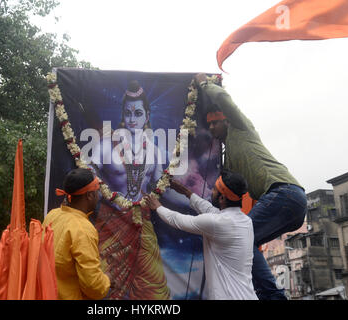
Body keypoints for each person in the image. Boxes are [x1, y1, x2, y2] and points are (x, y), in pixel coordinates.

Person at [194, 73, 307, 300]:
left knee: (244, 238)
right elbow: (223, 192)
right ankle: (265, 294)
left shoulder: (240, 128)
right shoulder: (228, 160)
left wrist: (204, 84)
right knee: (246, 242)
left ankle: (273, 296)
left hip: (284, 193)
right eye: (210, 124)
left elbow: (226, 102)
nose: (213, 127)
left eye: (216, 122)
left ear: (227, 120)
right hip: (289, 203)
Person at [89, 80, 170, 300]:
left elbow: (156, 186)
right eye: (128, 113)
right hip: (110, 221)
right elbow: (89, 175)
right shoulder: (105, 145)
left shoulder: (153, 151)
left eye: (138, 113)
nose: (132, 119)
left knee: (153, 291)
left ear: (147, 116)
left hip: (142, 222)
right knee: (103, 286)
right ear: (123, 115)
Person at [144, 171, 258, 300]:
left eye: (214, 189)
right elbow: (209, 209)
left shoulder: (219, 223)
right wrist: (186, 192)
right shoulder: (245, 221)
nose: (211, 192)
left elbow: (177, 220)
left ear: (222, 198)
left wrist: (157, 206)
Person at [42, 168, 110, 300]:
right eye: (97, 192)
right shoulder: (83, 229)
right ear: (89, 195)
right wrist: (107, 281)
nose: (98, 196)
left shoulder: (52, 215)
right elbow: (93, 286)